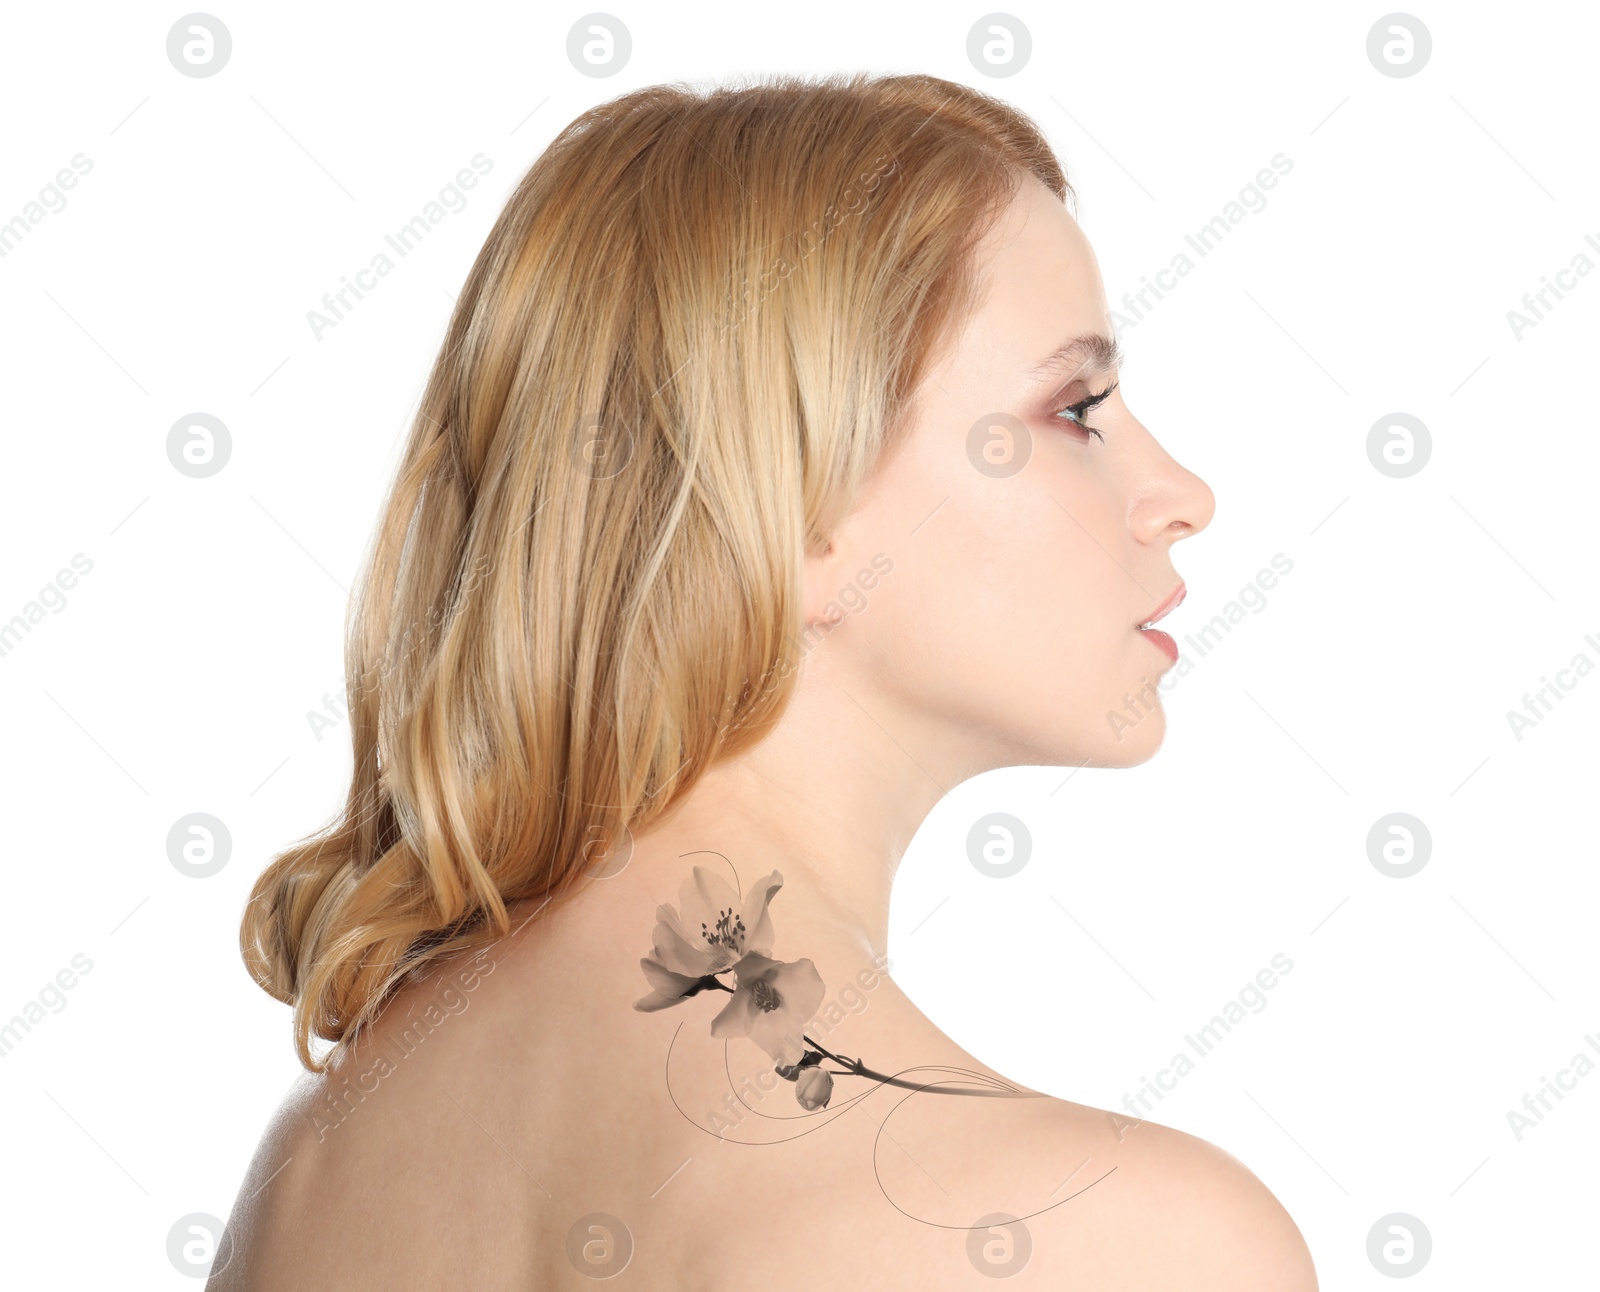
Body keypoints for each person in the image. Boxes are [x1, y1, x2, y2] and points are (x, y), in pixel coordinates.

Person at [212, 71, 1317, 1289]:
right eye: (1074, 407)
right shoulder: (1124, 1240)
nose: (1182, 496)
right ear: (791, 502)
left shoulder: (318, 1164)